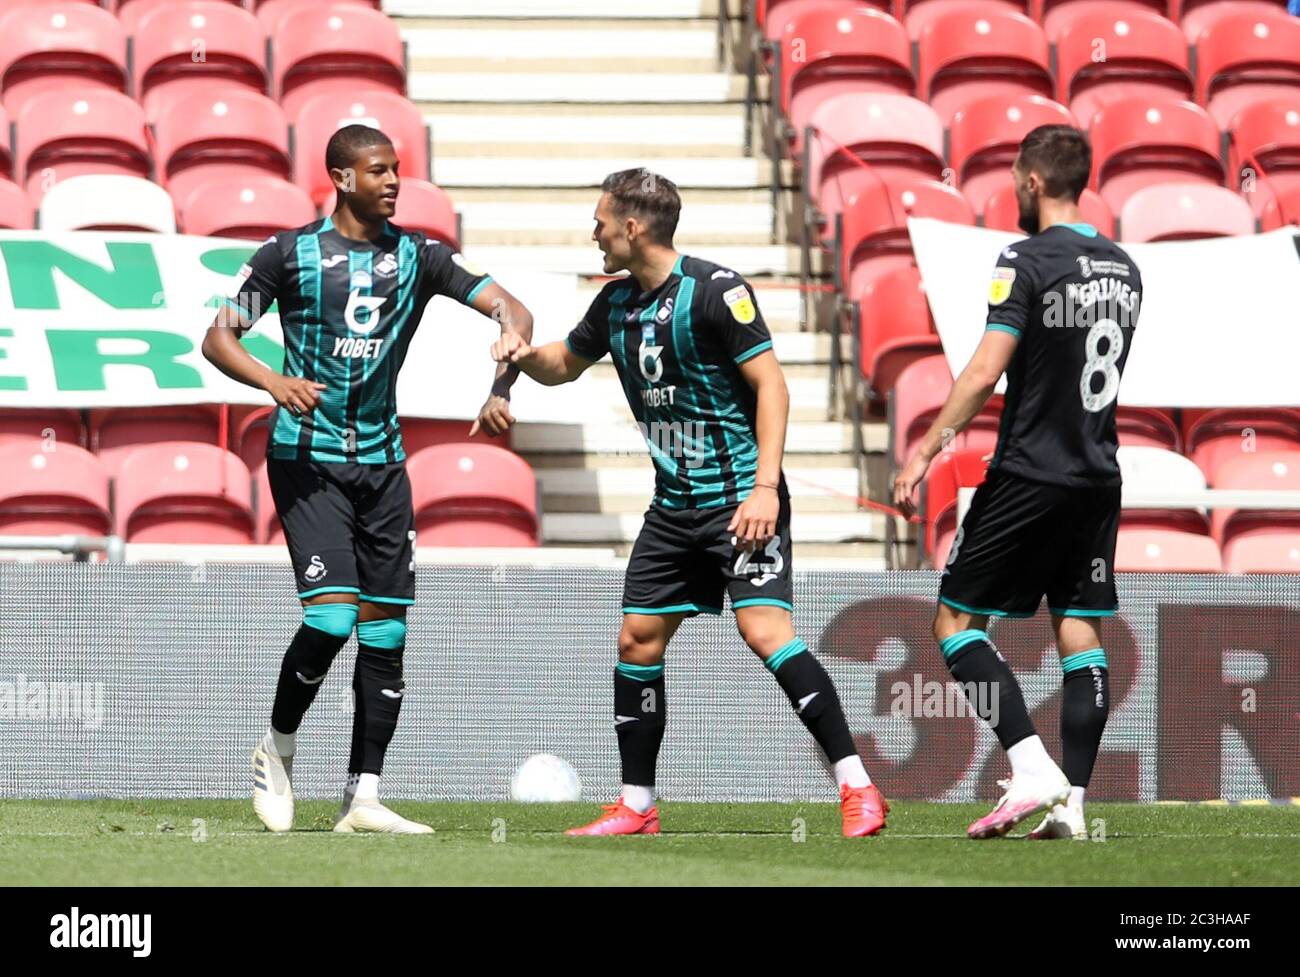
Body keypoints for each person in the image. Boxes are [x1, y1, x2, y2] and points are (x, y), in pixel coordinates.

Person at [494, 168, 887, 838]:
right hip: (674, 508)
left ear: (632, 226)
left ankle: (858, 787)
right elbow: (564, 362)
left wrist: (765, 487)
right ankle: (638, 804)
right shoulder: (614, 303)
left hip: (740, 500)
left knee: (766, 633)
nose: (594, 234)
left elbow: (773, 387)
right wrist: (522, 357)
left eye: (600, 222)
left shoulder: (715, 291)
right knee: (637, 639)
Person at [202, 124, 532, 834]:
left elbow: (514, 308)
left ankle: (364, 797)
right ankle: (279, 747)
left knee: (385, 632)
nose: (392, 181)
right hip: (307, 455)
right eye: (378, 170)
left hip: (383, 464)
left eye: (397, 170)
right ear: (342, 178)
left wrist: (504, 366)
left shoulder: (420, 255)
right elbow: (219, 337)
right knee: (331, 616)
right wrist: (272, 380)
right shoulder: (289, 254)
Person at [894, 125, 1142, 840]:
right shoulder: (1125, 268)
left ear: (1032, 181)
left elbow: (984, 369)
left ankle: (1032, 767)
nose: (1011, 191)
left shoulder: (1024, 259)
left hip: (1031, 471)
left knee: (955, 622)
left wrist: (926, 453)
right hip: (1097, 472)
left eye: (1012, 178)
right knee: (1078, 630)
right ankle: (1075, 804)